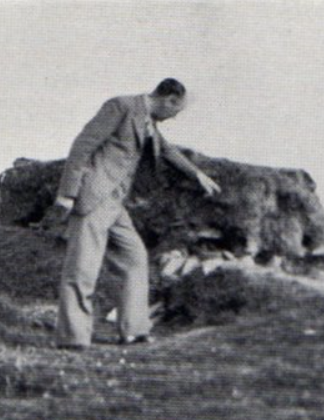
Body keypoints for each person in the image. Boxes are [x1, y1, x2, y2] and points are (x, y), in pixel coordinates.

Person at [40, 78, 221, 350]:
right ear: (169, 99)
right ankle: (72, 338)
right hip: (93, 198)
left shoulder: (148, 121)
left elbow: (167, 150)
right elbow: (82, 146)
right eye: (176, 110)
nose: (174, 117)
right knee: (82, 269)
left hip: (116, 204)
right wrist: (67, 194)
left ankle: (134, 330)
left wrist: (197, 175)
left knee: (135, 259)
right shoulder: (121, 106)